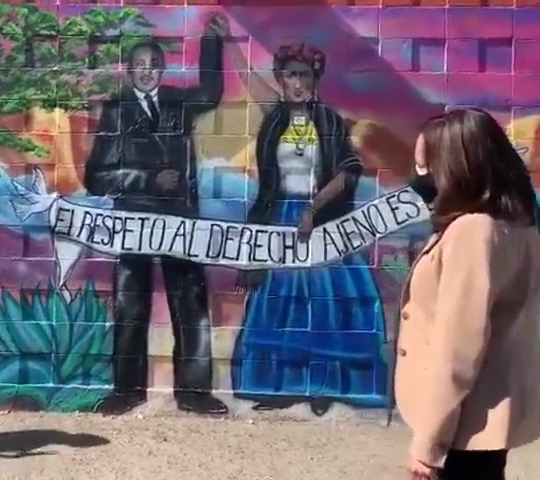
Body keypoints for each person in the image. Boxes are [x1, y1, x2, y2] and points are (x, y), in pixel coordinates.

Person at [84, 13, 229, 416]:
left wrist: (213, 45)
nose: (147, 73)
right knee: (131, 305)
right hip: (133, 224)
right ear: (129, 72)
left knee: (191, 304)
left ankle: (194, 392)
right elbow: (96, 177)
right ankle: (127, 390)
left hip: (179, 221)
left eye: (153, 66)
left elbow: (212, 92)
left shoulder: (177, 104)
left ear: (162, 71)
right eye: (140, 67)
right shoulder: (116, 112)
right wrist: (148, 180)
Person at [230, 43, 386, 414]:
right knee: (279, 301)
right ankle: (281, 385)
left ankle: (324, 385)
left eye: (304, 75)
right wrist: (230, 44)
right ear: (281, 80)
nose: (296, 83)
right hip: (279, 216)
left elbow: (349, 171)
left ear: (315, 79)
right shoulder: (276, 118)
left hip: (322, 220)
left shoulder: (328, 120)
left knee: (326, 301)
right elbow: (250, 83)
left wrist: (314, 210)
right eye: (289, 75)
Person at [397, 108, 540, 480]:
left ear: (454, 167)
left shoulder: (472, 232)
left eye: (426, 167)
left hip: (467, 422)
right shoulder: (516, 226)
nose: (420, 179)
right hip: (485, 415)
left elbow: (458, 348)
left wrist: (429, 446)